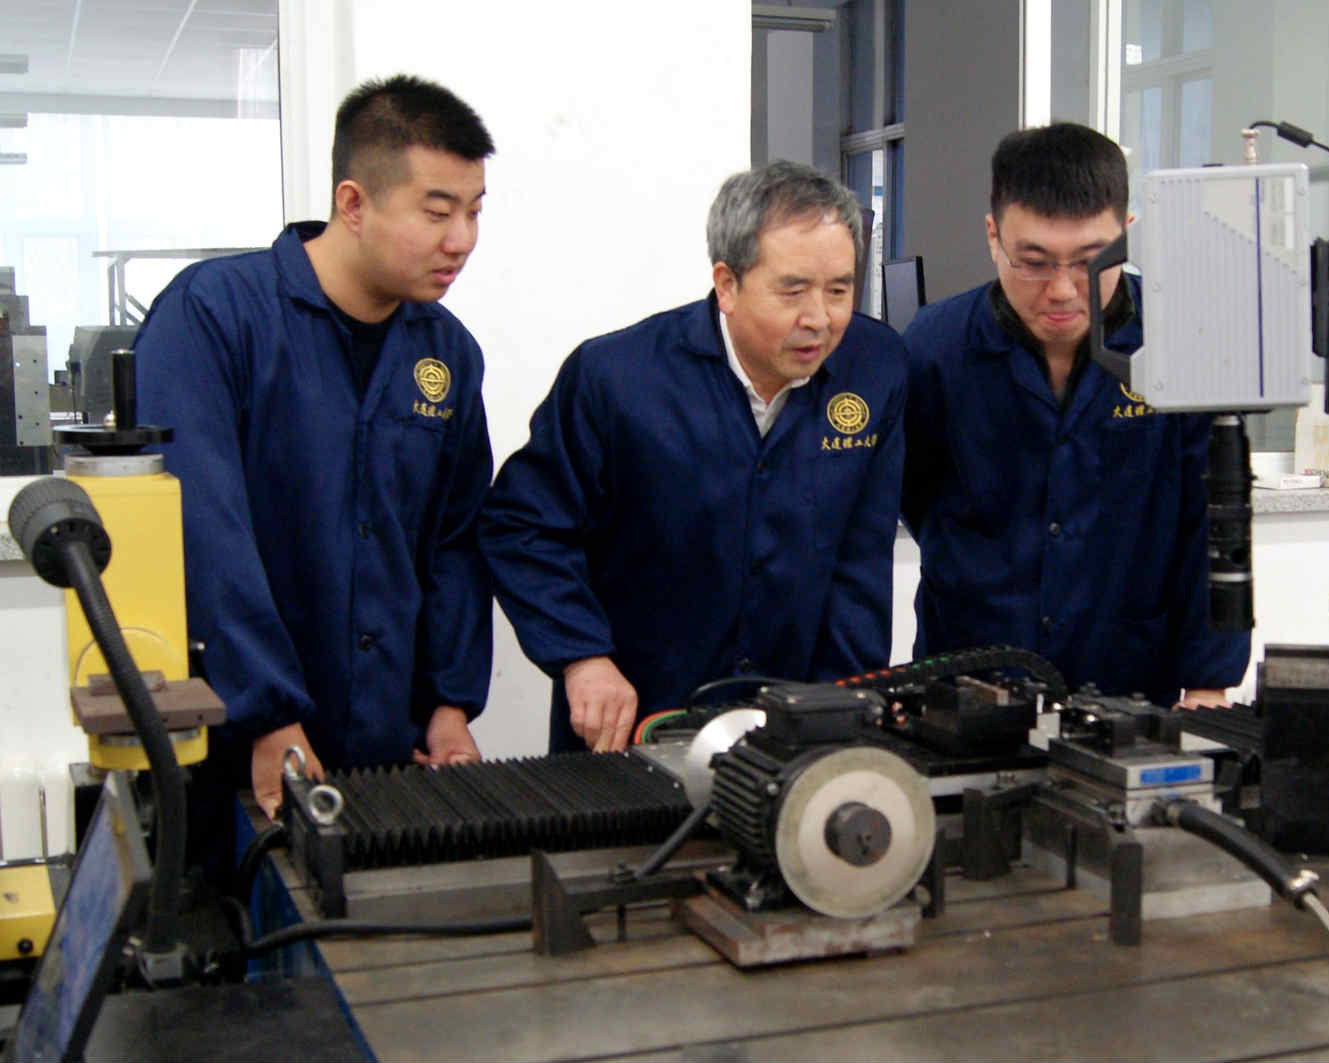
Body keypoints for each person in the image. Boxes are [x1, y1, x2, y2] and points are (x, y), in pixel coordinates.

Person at [135, 74, 497, 817]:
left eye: (474, 211)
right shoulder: (216, 316)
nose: (460, 239)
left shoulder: (448, 353)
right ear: (353, 203)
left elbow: (453, 542)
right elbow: (200, 530)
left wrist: (449, 702)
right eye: (436, 212)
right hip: (233, 752)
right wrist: (267, 712)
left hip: (389, 755)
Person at [480, 161, 906, 753]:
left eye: (839, 289)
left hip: (798, 732)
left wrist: (845, 705)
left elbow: (860, 557)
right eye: (792, 290)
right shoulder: (617, 379)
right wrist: (581, 656)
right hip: (637, 726)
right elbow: (523, 527)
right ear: (727, 284)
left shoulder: (875, 370)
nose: (820, 318)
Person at [900, 122, 1249, 710]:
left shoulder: (1182, 339)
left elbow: (1212, 517)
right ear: (993, 236)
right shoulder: (936, 348)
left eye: (1091, 261)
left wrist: (1208, 682)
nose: (1062, 290)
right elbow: (913, 497)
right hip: (969, 675)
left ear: (1127, 234)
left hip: (1129, 679)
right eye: (1033, 262)